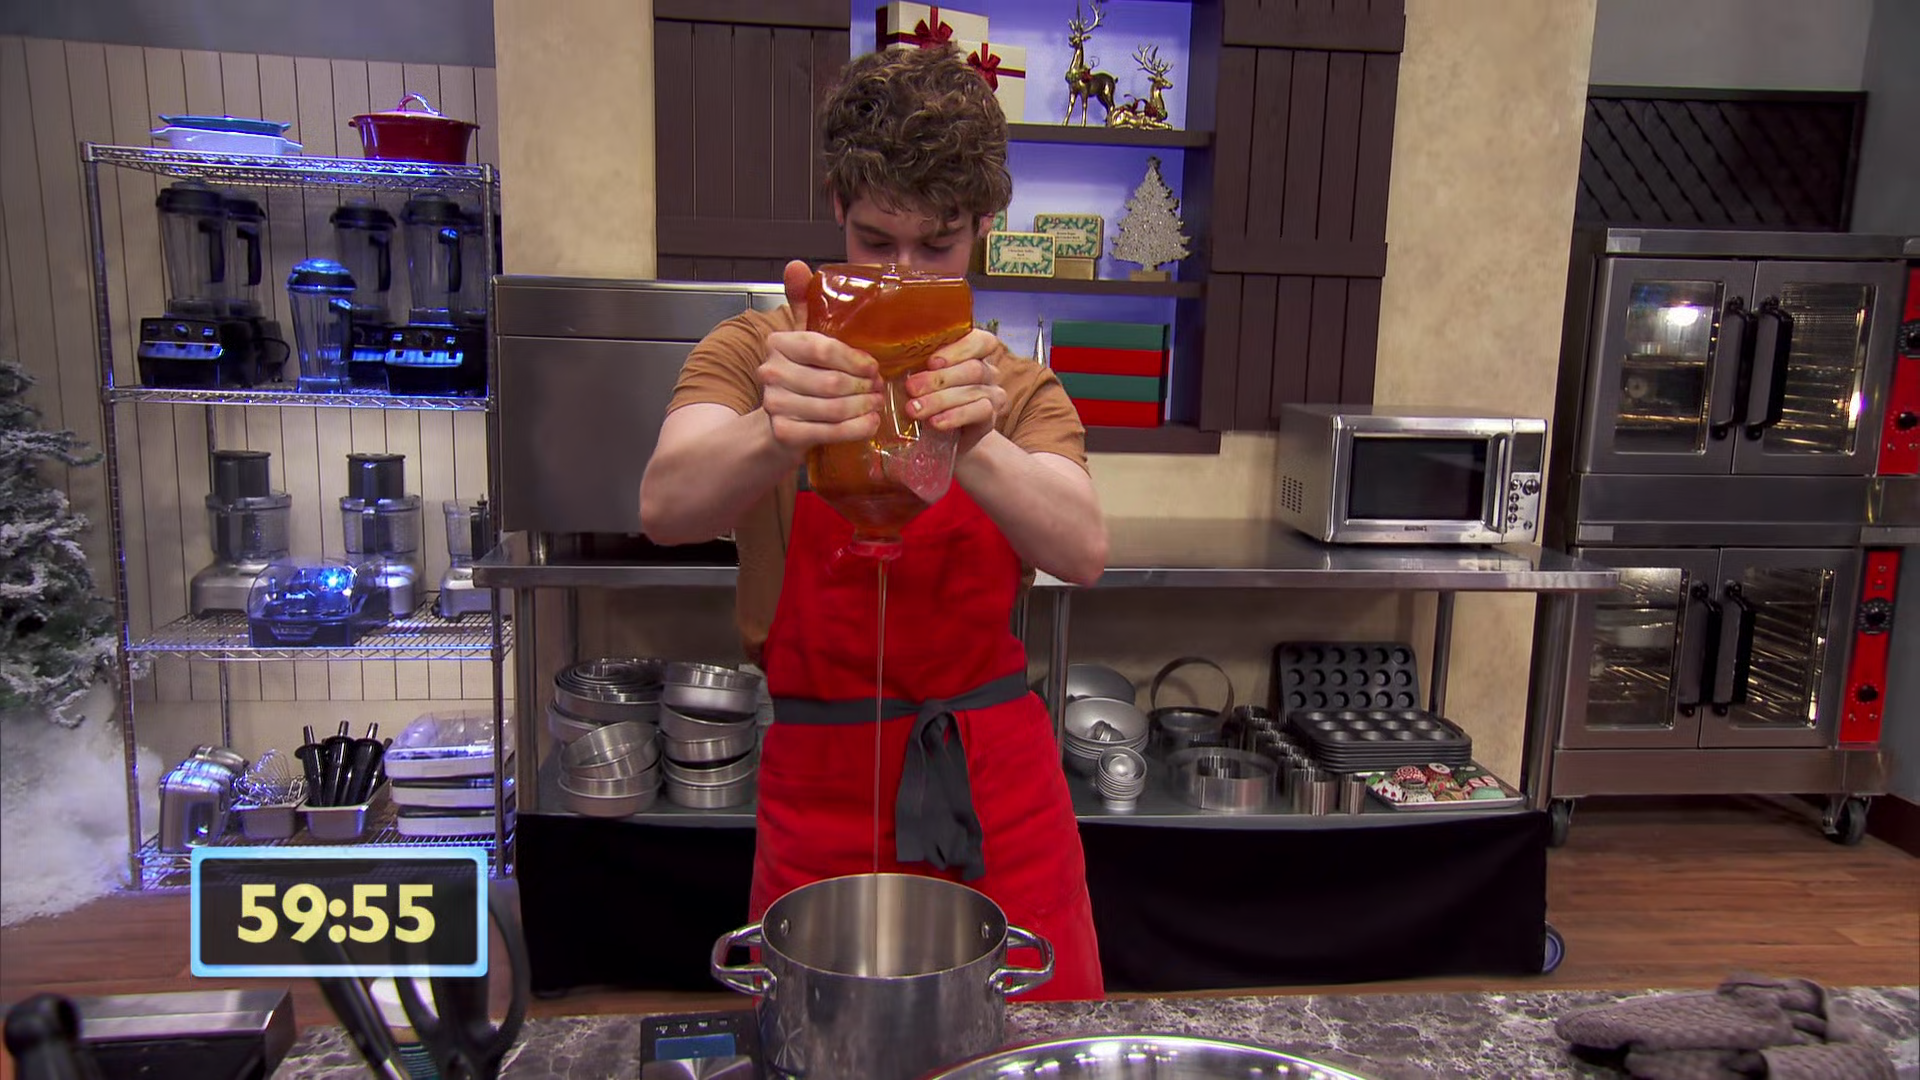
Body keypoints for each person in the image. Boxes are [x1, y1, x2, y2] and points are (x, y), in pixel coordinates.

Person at [638, 44, 1109, 1001]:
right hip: (819, 793)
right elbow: (666, 506)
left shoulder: (1016, 388)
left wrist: (978, 444)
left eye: (936, 248)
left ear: (982, 230)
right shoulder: (760, 354)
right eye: (875, 241)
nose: (900, 274)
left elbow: (1083, 549)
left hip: (994, 798)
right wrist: (777, 428)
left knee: (1030, 1046)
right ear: (837, 209)